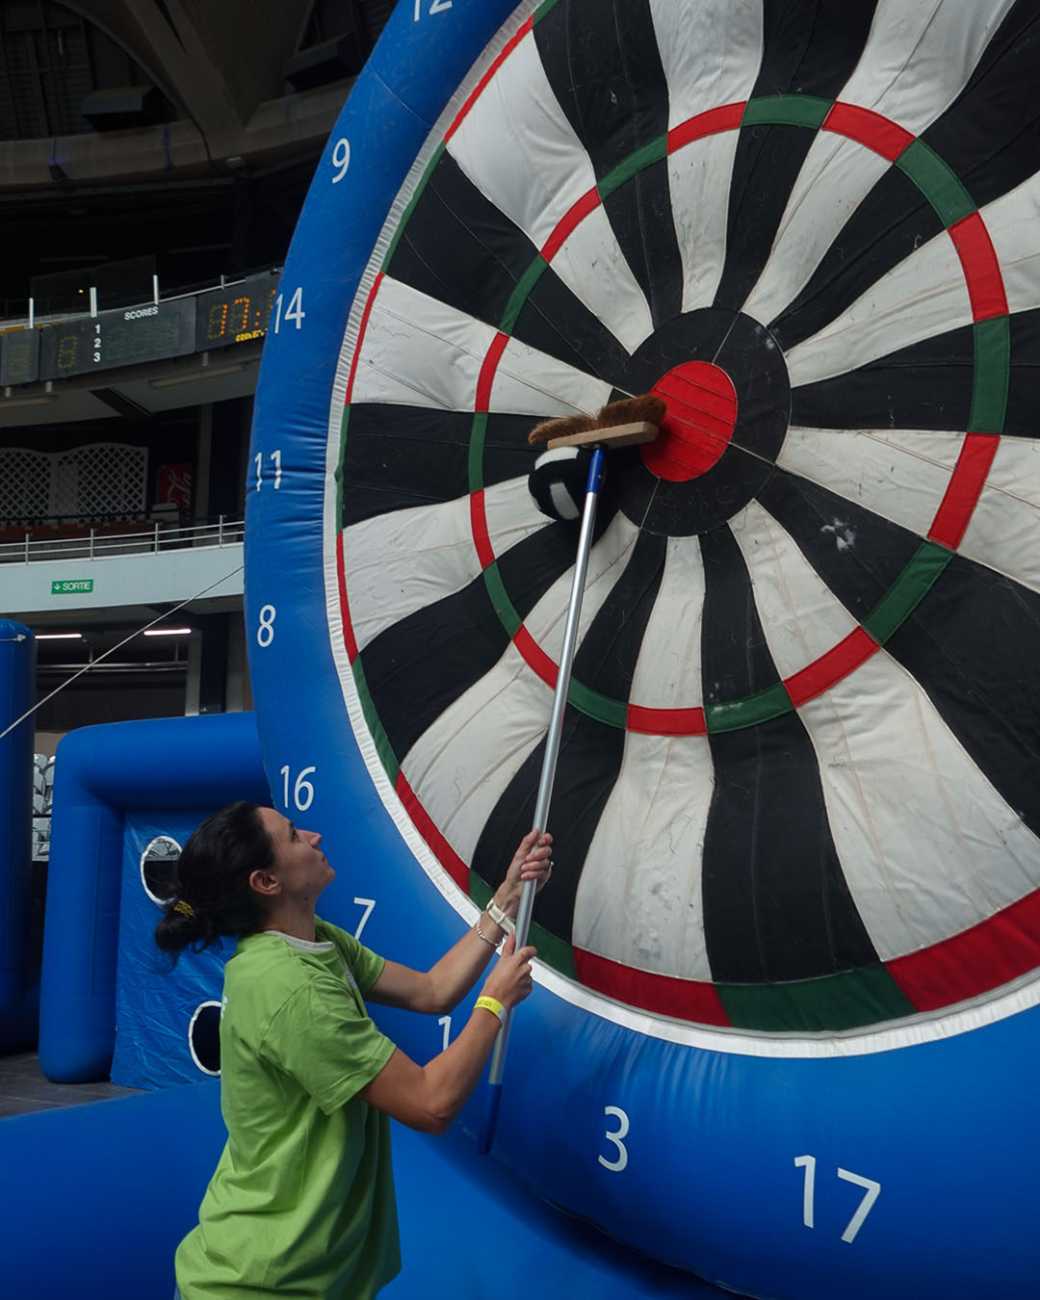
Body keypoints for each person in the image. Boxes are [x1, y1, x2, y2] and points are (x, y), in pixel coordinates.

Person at [155, 800, 551, 1300]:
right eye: (295, 836)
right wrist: (494, 1003)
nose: (316, 837)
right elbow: (432, 1103)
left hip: (311, 1275)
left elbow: (432, 990)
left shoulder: (313, 943)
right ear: (266, 882)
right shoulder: (290, 989)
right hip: (264, 1284)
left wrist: (505, 902)